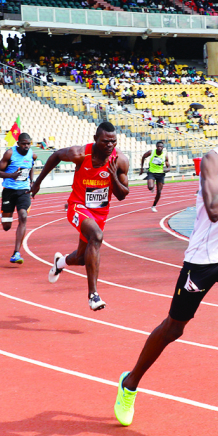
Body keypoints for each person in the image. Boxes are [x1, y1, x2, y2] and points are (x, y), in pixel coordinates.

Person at [113, 96, 218, 427]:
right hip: (204, 259)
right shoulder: (213, 161)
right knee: (174, 327)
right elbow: (217, 209)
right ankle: (129, 384)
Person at [30, 122, 130, 312]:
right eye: (105, 142)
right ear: (95, 140)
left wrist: (113, 177)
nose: (110, 146)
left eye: (113, 142)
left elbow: (123, 195)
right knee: (97, 236)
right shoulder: (80, 154)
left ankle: (60, 262)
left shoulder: (120, 161)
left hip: (100, 212)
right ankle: (93, 295)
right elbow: (56, 155)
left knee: (83, 258)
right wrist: (38, 182)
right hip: (78, 205)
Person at [0, 133, 38, 265]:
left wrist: (32, 181)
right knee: (7, 226)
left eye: (28, 143)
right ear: (18, 143)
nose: (26, 146)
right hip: (9, 190)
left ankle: (16, 252)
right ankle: (4, 215)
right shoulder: (10, 153)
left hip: (23, 190)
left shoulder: (32, 154)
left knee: (23, 216)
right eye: (24, 143)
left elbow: (30, 167)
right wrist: (11, 175)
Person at [139, 141, 170, 212]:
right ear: (156, 146)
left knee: (159, 192)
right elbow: (144, 156)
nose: (159, 147)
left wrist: (167, 169)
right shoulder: (151, 152)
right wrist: (142, 168)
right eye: (158, 146)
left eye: (161, 146)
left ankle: (154, 205)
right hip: (152, 172)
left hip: (160, 174)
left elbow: (168, 166)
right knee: (150, 187)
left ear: (163, 148)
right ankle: (152, 187)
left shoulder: (165, 155)